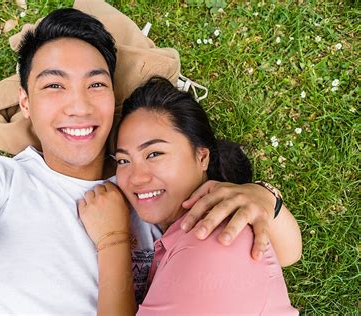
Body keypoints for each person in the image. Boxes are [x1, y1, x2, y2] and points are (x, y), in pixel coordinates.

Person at [0, 8, 300, 314]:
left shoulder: (152, 197)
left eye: (96, 85)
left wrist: (263, 197)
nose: (79, 106)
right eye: (53, 86)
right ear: (25, 102)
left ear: (113, 96)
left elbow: (276, 254)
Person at [79, 77, 299, 315]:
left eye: (154, 154)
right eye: (123, 160)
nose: (135, 178)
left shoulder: (210, 248)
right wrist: (264, 195)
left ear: (202, 157)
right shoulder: (201, 230)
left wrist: (112, 240)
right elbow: (288, 253)